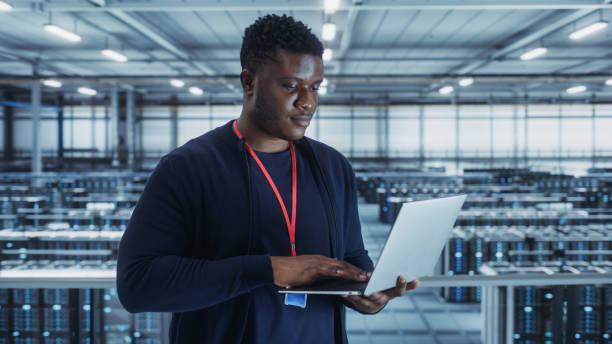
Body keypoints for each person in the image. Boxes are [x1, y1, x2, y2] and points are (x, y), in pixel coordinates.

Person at [116, 14, 419, 343]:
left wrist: (369, 294)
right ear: (249, 82)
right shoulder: (187, 168)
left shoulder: (333, 167)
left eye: (315, 88)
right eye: (291, 86)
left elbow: (353, 257)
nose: (307, 102)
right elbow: (137, 285)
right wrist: (266, 269)